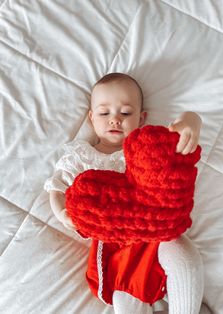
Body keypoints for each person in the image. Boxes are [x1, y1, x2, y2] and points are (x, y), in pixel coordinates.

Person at [44, 72, 204, 314]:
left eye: (126, 113)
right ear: (91, 117)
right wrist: (63, 214)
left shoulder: (146, 151)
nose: (115, 120)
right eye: (104, 113)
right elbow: (57, 187)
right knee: (124, 298)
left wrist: (190, 122)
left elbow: (181, 130)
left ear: (142, 119)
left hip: (155, 230)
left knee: (185, 254)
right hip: (114, 243)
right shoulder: (82, 155)